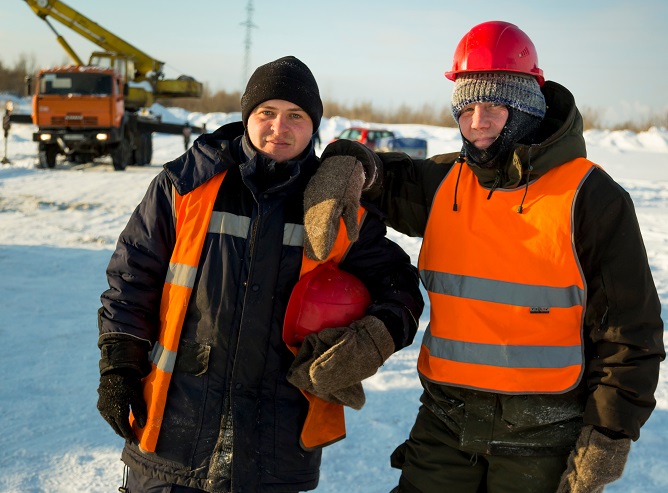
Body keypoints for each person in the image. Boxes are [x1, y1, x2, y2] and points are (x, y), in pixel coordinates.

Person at [302, 21, 665, 493]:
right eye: (466, 107)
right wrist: (351, 163)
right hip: (444, 424)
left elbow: (630, 331)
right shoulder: (445, 182)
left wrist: (608, 436)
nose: (477, 122)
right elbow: (383, 177)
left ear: (528, 106)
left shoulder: (591, 198)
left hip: (544, 433)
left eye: (494, 105)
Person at [96, 55, 423, 493]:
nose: (279, 128)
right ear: (247, 116)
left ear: (314, 127)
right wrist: (119, 367)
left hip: (277, 442)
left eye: (296, 117)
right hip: (172, 433)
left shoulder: (335, 207)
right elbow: (131, 281)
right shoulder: (187, 186)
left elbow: (401, 286)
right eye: (266, 113)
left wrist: (374, 338)